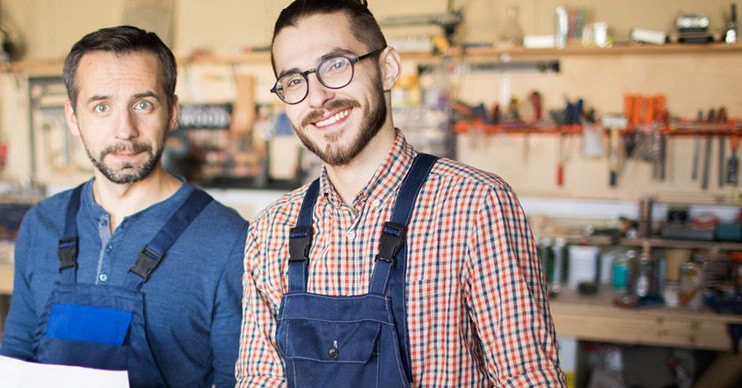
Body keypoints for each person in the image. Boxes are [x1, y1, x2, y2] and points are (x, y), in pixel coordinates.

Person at [235, 1, 565, 386]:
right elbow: (259, 380)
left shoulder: (476, 206)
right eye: (294, 81)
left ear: (387, 68)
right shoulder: (272, 230)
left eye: (336, 65)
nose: (317, 96)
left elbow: (528, 379)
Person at [0, 25, 247, 387]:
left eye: (143, 104)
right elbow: (17, 353)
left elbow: (236, 381)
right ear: (72, 117)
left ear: (172, 112)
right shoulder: (41, 224)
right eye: (102, 107)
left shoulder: (227, 241)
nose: (124, 130)